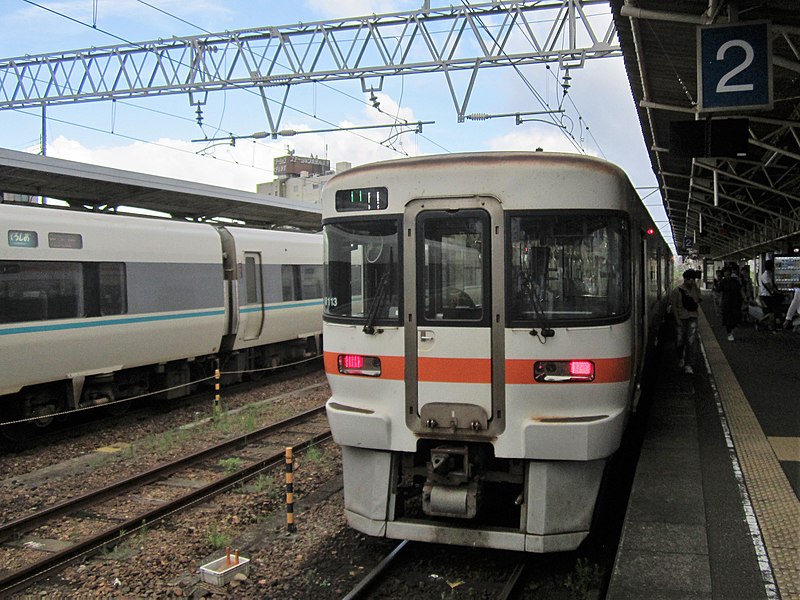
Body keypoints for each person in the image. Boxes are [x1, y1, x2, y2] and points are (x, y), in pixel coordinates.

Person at [670, 269, 702, 374]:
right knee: (679, 341)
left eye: (693, 279)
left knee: (691, 342)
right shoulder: (677, 291)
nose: (691, 281)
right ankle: (680, 357)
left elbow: (697, 301)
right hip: (681, 318)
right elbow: (673, 306)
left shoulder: (695, 290)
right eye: (689, 279)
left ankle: (689, 364)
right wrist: (677, 319)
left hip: (692, 317)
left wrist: (693, 290)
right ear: (685, 279)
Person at [719, 266, 742, 341]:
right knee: (727, 318)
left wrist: (745, 297)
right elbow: (719, 292)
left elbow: (740, 290)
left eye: (728, 271)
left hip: (735, 302)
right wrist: (719, 302)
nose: (727, 273)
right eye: (725, 272)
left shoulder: (735, 281)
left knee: (736, 317)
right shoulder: (722, 282)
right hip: (726, 302)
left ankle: (732, 331)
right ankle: (729, 333)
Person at [759, 260, 782, 330]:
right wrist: (777, 292)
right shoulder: (765, 275)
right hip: (766, 296)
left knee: (771, 313)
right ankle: (760, 322)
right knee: (770, 313)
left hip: (768, 296)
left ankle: (771, 327)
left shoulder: (769, 274)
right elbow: (769, 286)